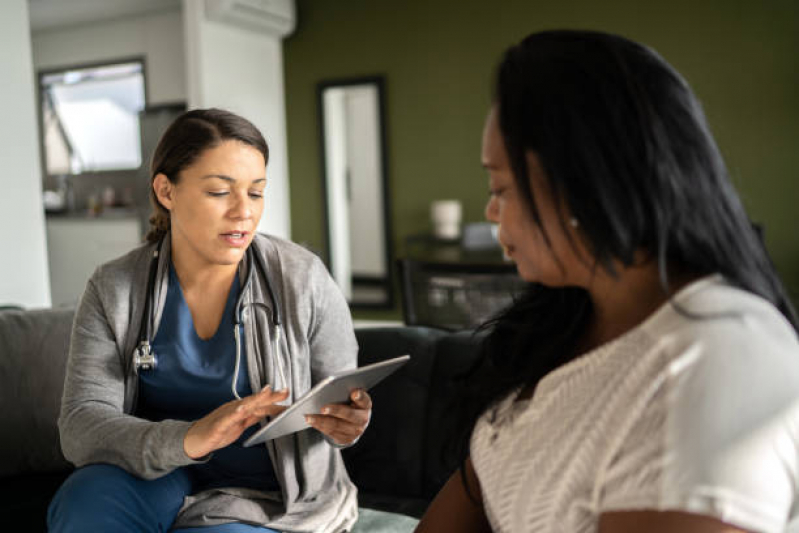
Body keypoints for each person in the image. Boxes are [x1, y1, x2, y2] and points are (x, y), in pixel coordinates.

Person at [416, 30, 799, 533]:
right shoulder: (565, 319)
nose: (491, 210)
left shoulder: (706, 365)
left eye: (501, 187)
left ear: (585, 183)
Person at [48, 108, 371, 532]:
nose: (244, 212)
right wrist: (191, 438)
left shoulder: (303, 279)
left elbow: (339, 398)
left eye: (255, 193)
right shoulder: (116, 288)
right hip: (159, 471)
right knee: (85, 502)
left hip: (272, 492)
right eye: (220, 192)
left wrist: (348, 425)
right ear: (167, 191)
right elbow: (81, 425)